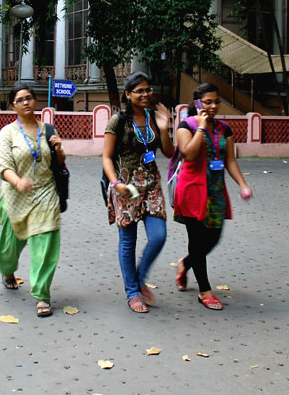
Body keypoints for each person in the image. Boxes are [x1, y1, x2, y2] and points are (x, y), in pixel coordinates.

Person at [174, 83, 253, 310]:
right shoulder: (186, 126)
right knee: (197, 242)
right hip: (191, 191)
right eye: (208, 102)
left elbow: (230, 161)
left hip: (216, 190)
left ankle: (186, 263)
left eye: (216, 101)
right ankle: (205, 290)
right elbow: (188, 154)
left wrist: (242, 185)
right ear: (197, 103)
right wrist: (200, 127)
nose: (213, 106)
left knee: (213, 238)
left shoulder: (224, 129)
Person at [0, 84, 64, 318]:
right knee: (8, 249)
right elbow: (3, 166)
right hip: (16, 195)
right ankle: (7, 271)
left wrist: (60, 150)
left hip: (45, 192)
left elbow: (59, 163)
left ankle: (42, 295)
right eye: (20, 99)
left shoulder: (48, 130)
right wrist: (17, 181)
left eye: (29, 98)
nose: (26, 102)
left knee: (45, 243)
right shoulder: (7, 133)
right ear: (13, 105)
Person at [102, 72, 174, 313]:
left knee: (158, 236)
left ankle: (140, 278)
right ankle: (132, 292)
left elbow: (169, 152)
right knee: (128, 242)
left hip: (151, 184)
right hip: (126, 186)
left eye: (148, 89)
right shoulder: (118, 121)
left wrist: (164, 129)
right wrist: (115, 184)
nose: (145, 94)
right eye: (139, 91)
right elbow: (106, 157)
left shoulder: (154, 117)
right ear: (128, 95)